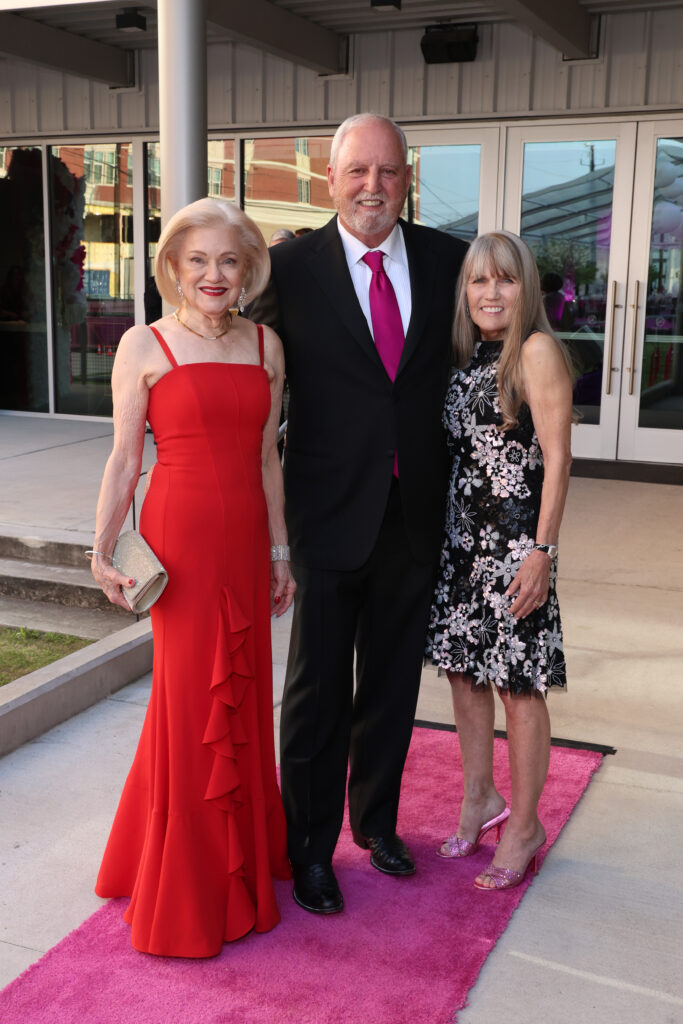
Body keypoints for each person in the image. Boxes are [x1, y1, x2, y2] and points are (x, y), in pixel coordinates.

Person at [249, 113, 468, 915]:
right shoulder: (288, 270)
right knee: (315, 693)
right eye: (357, 171)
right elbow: (252, 376)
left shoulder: (449, 261)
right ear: (330, 178)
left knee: (388, 684)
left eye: (389, 171)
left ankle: (375, 824)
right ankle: (308, 848)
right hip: (323, 514)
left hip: (415, 513)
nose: (373, 186)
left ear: (406, 178)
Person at [89, 197, 295, 957]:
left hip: (244, 540)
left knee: (241, 694)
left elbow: (267, 460)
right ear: (173, 267)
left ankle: (232, 859)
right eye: (197, 260)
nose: (213, 274)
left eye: (229, 260)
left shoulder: (267, 345)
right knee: (187, 701)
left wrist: (279, 554)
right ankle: (185, 882)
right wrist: (102, 543)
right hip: (179, 547)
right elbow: (123, 459)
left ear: (248, 270)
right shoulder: (143, 345)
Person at [425, 230, 573, 891]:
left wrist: (542, 551)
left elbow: (559, 458)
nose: (490, 292)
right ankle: (479, 797)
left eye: (504, 280)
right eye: (478, 280)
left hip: (516, 552)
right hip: (460, 549)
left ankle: (524, 826)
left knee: (518, 688)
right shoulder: (463, 359)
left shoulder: (535, 351)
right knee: (463, 677)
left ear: (526, 289)